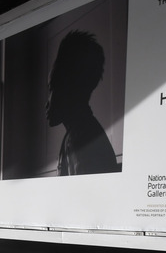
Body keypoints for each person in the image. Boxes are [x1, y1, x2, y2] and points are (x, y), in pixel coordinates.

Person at [45, 30, 118, 176]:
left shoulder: (79, 139)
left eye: (52, 88)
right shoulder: (84, 132)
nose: (47, 103)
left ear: (69, 90)